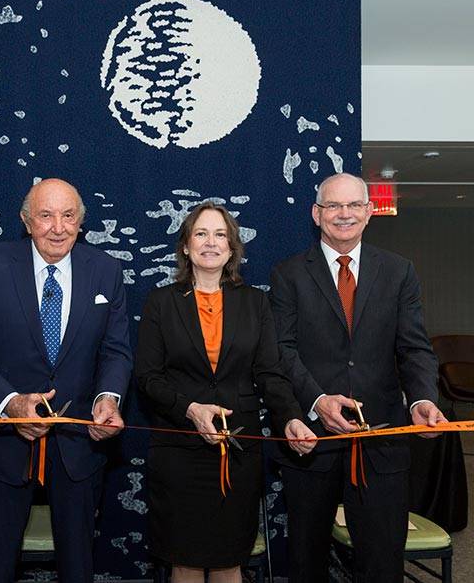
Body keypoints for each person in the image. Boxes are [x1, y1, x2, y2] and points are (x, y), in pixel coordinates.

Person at [269, 172, 446, 582]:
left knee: (382, 564)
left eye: (353, 205)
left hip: (382, 443)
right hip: (312, 443)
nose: (343, 214)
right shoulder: (288, 275)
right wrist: (317, 401)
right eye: (333, 205)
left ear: (369, 212)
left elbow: (414, 347)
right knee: (306, 562)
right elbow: (282, 350)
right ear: (316, 214)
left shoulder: (399, 272)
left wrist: (422, 400)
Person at [0, 178, 132, 583]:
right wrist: (10, 403)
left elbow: (116, 351)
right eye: (46, 216)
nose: (58, 227)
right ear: (25, 221)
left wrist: (108, 398)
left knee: (78, 568)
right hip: (3, 444)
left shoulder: (105, 270)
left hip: (78, 447)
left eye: (68, 216)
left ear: (81, 222)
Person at [135, 202, 316, 583]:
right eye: (200, 233)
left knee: (229, 559)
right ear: (185, 245)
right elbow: (148, 378)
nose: (210, 242)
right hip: (179, 451)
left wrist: (293, 418)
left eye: (220, 234)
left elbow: (270, 374)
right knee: (183, 560)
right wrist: (191, 410)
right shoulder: (161, 303)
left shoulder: (255, 302)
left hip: (237, 454)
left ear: (233, 248)